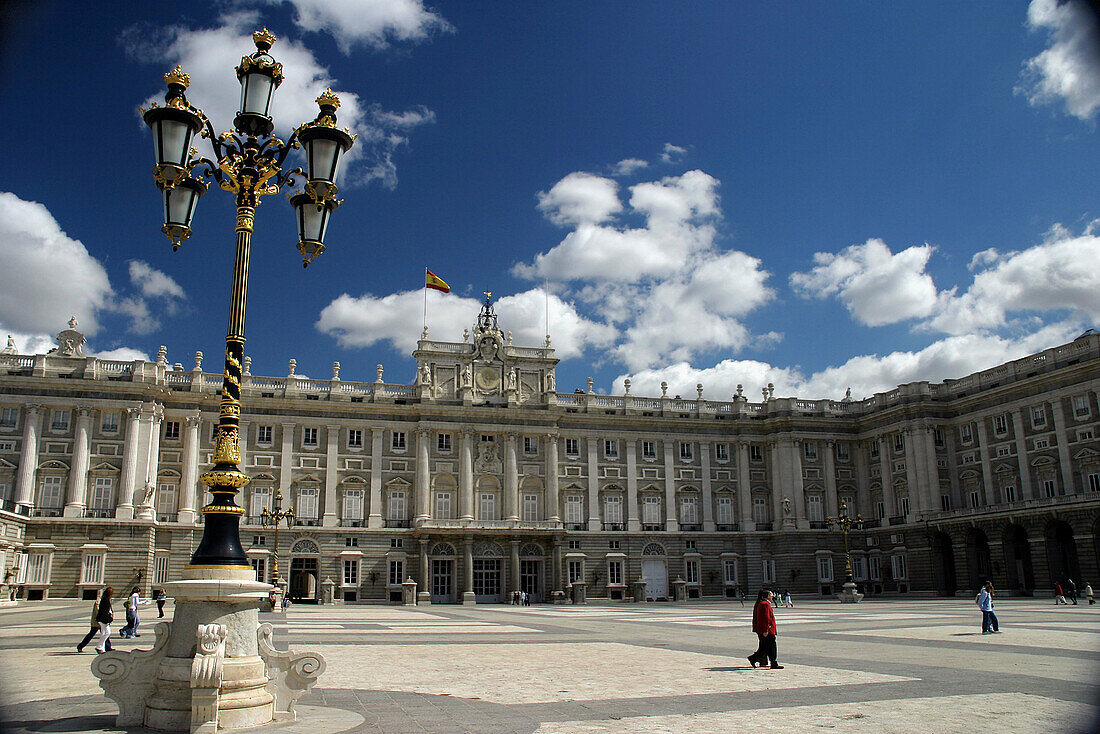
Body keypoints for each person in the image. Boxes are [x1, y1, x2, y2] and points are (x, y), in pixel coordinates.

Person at [747, 589, 783, 669]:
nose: (772, 597)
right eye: (771, 595)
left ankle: (753, 659)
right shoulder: (765, 604)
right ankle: (773, 662)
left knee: (765, 648)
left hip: (766, 630)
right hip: (768, 630)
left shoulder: (763, 604)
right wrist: (766, 630)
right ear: (767, 596)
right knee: (771, 647)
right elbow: (766, 618)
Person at [94, 586, 114, 654]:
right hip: (103, 619)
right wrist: (109, 619)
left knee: (103, 633)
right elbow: (105, 611)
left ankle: (101, 648)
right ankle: (99, 646)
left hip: (101, 618)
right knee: (108, 632)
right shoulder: (105, 600)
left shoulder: (104, 598)